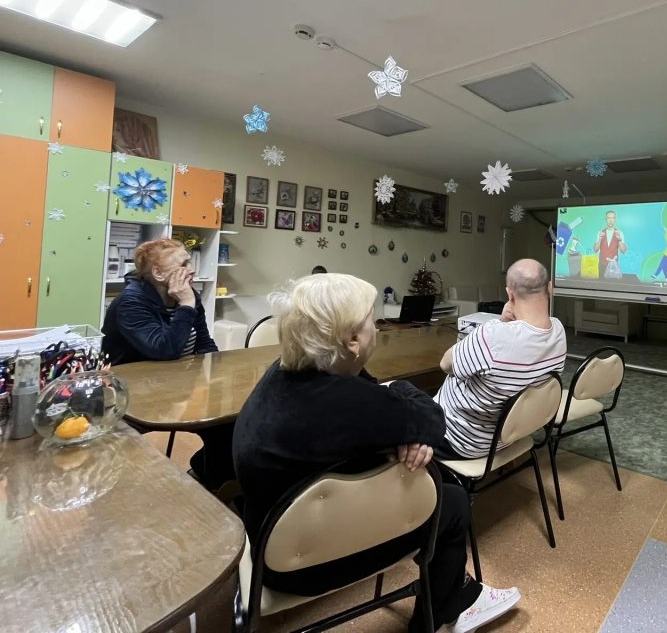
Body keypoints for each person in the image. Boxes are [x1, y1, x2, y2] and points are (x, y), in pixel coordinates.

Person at [232, 273, 521, 633]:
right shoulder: (351, 405)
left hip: (267, 547)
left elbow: (372, 394)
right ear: (352, 340)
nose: (377, 327)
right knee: (453, 500)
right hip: (305, 568)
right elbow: (433, 418)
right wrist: (404, 403)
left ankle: (457, 592)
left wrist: (404, 423)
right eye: (371, 319)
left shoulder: (285, 376)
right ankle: (446, 608)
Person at [101, 238, 232, 490]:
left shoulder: (190, 296)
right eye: (183, 264)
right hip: (133, 393)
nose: (191, 270)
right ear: (158, 274)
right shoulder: (130, 302)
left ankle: (210, 476)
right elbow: (164, 350)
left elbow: (204, 343)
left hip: (178, 385)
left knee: (228, 422)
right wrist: (186, 305)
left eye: (190, 262)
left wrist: (215, 381)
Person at [434, 259, 566, 460]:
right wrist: (504, 322)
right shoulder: (559, 331)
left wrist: (498, 324)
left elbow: (445, 364)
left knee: (398, 394)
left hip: (458, 439)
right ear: (550, 288)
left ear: (510, 294)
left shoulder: (492, 336)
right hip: (507, 435)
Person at [593, 211, 627, 277]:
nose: (610, 220)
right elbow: (595, 249)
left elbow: (623, 251)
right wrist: (600, 239)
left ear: (615, 219)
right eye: (608, 218)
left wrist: (619, 239)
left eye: (612, 218)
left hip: (614, 266)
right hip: (601, 266)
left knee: (613, 283)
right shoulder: (600, 233)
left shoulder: (620, 233)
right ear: (606, 219)